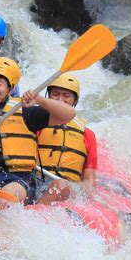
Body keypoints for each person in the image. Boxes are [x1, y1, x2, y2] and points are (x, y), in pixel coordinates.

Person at [0, 57, 76, 210]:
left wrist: (38, 99)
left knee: (10, 192)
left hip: (18, 180)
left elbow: (69, 114)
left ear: (9, 89)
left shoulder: (25, 112)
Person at [36, 74, 97, 205]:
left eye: (66, 96)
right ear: (48, 96)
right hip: (37, 179)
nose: (60, 99)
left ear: (75, 100)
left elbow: (89, 174)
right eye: (55, 94)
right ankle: (37, 210)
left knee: (60, 184)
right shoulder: (36, 123)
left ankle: (38, 209)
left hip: (68, 186)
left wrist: (88, 191)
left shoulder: (88, 134)